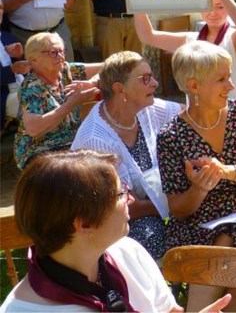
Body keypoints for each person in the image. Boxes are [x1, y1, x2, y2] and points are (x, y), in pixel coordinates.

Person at [0, 150, 231, 313]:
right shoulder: (26, 309)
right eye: (120, 195)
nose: (130, 199)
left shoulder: (127, 252)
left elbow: (169, 310)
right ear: (84, 224)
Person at [157, 41, 236, 311]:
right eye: (222, 79)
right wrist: (199, 189)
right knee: (233, 267)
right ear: (194, 86)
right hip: (195, 228)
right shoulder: (171, 136)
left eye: (229, 76)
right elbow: (178, 210)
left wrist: (228, 172)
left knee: (231, 235)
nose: (231, 85)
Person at [72, 51, 182, 260]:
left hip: (151, 209)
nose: (155, 84)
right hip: (107, 222)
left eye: (152, 76)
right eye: (146, 79)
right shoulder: (97, 140)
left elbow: (189, 115)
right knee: (155, 238)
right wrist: (176, 205)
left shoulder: (145, 108)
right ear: (119, 88)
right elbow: (124, 206)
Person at [134, 0, 236, 101]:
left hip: (231, 114)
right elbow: (148, 36)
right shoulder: (191, 41)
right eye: (208, 7)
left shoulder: (233, 39)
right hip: (199, 116)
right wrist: (135, 1)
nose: (213, 13)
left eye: (220, 7)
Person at [14, 32, 101, 169]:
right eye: (53, 52)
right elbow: (34, 129)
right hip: (40, 150)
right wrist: (71, 103)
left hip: (72, 144)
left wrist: (93, 82)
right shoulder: (31, 87)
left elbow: (109, 66)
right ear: (34, 60)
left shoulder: (66, 70)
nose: (60, 56)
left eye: (62, 51)